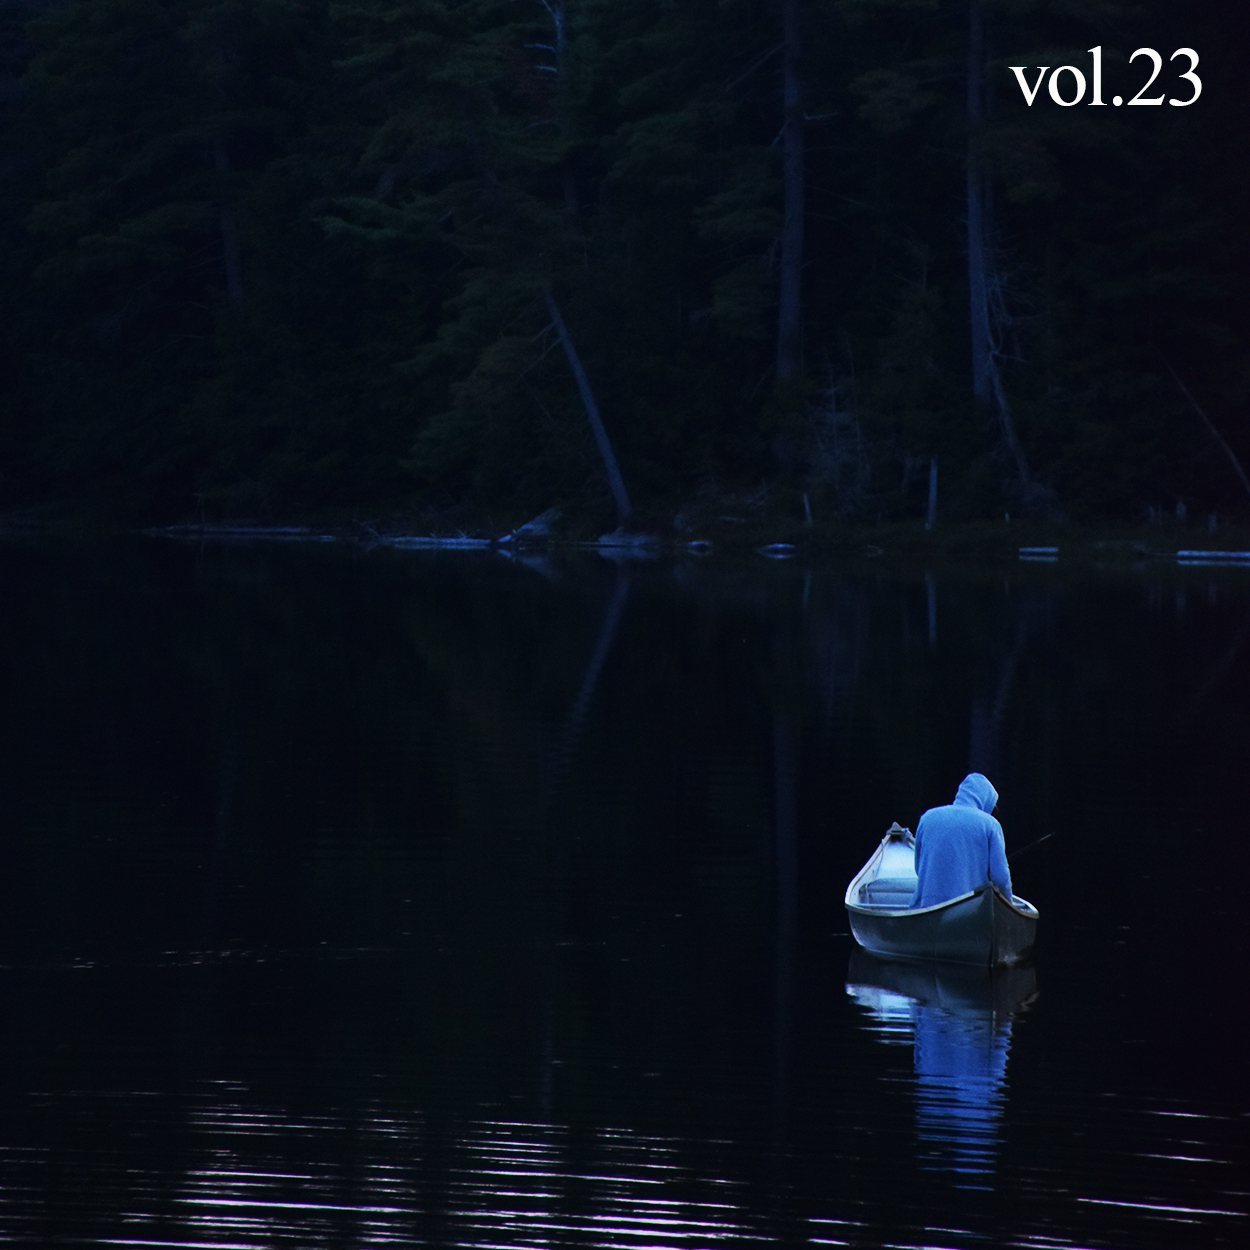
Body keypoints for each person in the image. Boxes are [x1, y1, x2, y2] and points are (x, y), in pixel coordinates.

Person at [910, 772, 1012, 908]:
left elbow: (919, 867)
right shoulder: (990, 824)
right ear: (986, 801)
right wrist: (1009, 905)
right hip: (969, 908)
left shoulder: (927, 818)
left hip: (927, 905)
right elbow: (1001, 878)